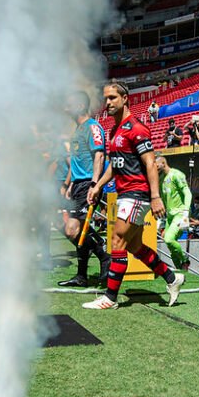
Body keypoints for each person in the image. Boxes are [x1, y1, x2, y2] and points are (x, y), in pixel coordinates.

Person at [84, 79, 183, 310]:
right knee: (134, 245)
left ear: (125, 98)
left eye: (112, 98)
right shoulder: (114, 130)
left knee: (117, 241)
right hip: (125, 193)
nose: (107, 103)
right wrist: (97, 185)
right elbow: (114, 164)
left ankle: (110, 298)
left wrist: (155, 196)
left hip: (137, 194)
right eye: (105, 98)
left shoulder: (136, 128)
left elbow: (151, 162)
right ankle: (172, 278)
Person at [57, 91, 111, 288]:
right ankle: (81, 276)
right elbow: (76, 162)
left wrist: (94, 184)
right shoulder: (77, 130)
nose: (65, 108)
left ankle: (105, 257)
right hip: (78, 185)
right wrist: (68, 184)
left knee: (73, 230)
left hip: (89, 184)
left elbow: (99, 156)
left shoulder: (93, 127)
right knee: (78, 231)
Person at [155, 154, 191, 271]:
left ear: (163, 163)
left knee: (169, 239)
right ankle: (180, 270)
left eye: (156, 165)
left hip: (180, 214)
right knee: (169, 244)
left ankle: (185, 259)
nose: (155, 167)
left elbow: (187, 193)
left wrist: (186, 211)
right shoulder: (161, 179)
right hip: (170, 217)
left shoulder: (177, 174)